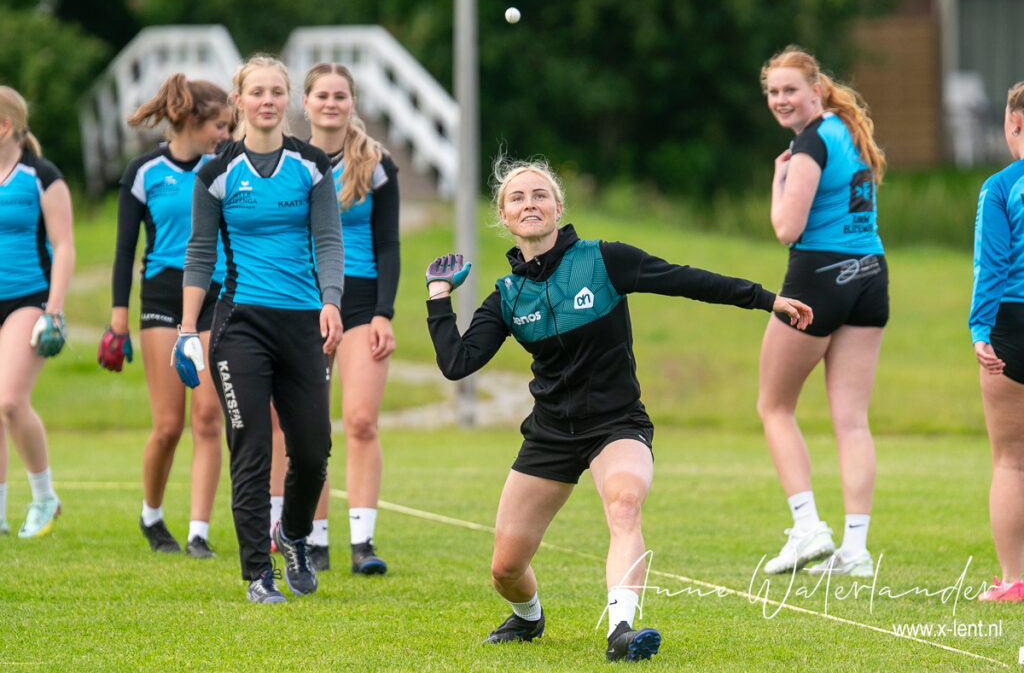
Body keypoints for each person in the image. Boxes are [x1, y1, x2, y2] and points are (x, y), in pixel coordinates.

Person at [424, 155, 812, 661]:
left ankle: (622, 629)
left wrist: (766, 299)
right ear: (504, 216)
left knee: (625, 503)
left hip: (617, 424)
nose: (530, 203)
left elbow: (687, 280)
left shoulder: (603, 260)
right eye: (516, 198)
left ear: (558, 206)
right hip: (550, 435)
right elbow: (458, 362)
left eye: (539, 194)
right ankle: (528, 618)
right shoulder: (507, 297)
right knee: (505, 569)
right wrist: (437, 297)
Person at [179, 54, 344, 604]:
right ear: (240, 100)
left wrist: (331, 302)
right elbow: (200, 252)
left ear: (288, 99)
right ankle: (258, 574)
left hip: (303, 324)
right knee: (250, 446)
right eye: (257, 92)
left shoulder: (313, 166)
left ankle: (292, 535)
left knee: (314, 449)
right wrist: (185, 329)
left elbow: (329, 240)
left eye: (277, 91)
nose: (267, 100)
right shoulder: (216, 172)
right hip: (239, 324)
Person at [756, 46, 888, 578]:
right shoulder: (847, 128)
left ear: (816, 89)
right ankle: (855, 550)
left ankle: (809, 527)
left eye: (790, 90)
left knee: (774, 406)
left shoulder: (810, 142)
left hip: (820, 277)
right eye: (773, 92)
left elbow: (787, 228)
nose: (781, 100)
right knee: (852, 421)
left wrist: (776, 182)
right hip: (870, 275)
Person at [267, 62, 399, 575]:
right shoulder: (289, 161)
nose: (330, 103)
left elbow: (388, 244)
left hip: (363, 300)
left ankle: (362, 542)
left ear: (352, 102)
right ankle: (311, 538)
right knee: (304, 424)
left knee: (361, 420)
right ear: (306, 102)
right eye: (321, 95)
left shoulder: (376, 164)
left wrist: (385, 311)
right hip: (303, 299)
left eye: (340, 95)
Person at [100, 73, 232, 559]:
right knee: (168, 425)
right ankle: (152, 515)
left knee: (208, 416)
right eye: (218, 125)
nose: (224, 134)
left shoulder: (225, 167)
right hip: (160, 300)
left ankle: (198, 531)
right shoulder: (143, 170)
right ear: (192, 120)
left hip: (216, 296)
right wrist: (117, 320)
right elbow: (122, 251)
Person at [0, 86, 74, 539]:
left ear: (4, 125)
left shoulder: (41, 175)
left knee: (8, 400)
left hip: (29, 300)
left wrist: (55, 310)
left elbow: (64, 245)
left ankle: (44, 497)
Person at [970, 81, 1024, 602]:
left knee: (1011, 460)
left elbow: (992, 265)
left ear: (1015, 123)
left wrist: (978, 329)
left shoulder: (1002, 185)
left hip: (1015, 322)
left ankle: (1012, 581)